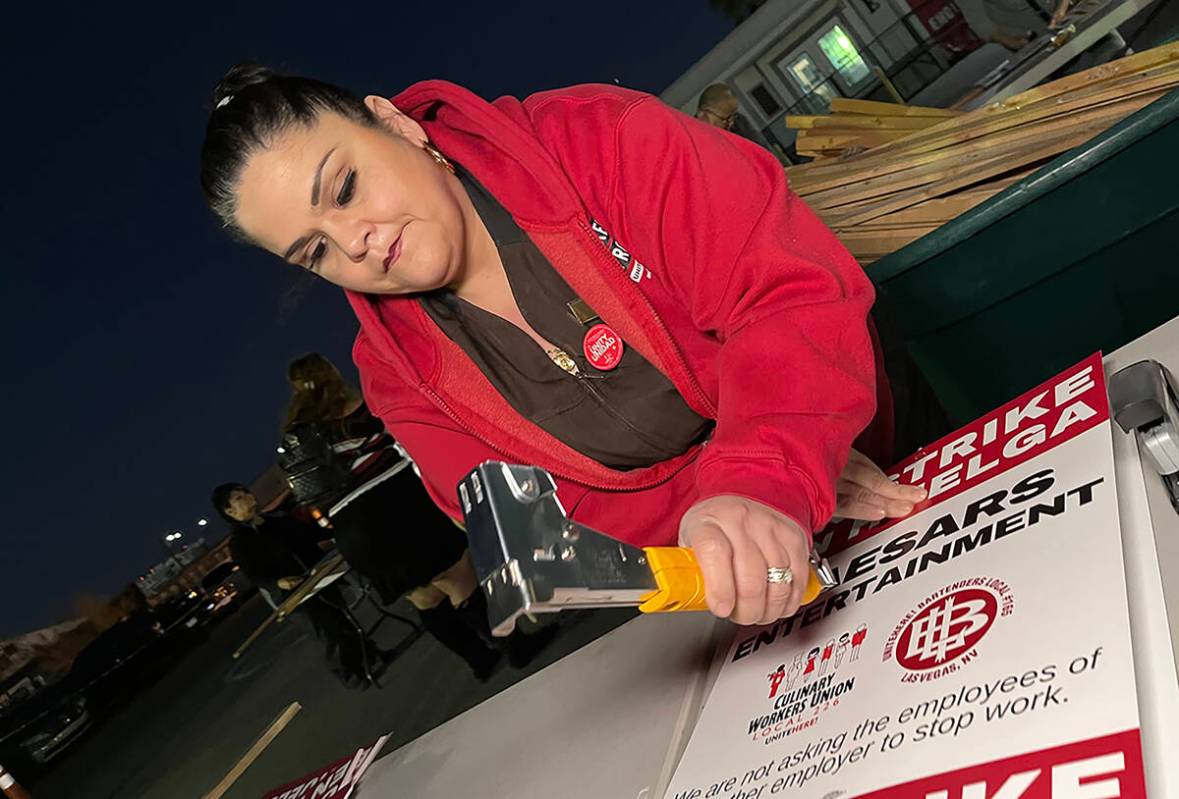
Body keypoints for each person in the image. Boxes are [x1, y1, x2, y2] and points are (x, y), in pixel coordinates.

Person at [199, 64, 933, 630]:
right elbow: (548, 526)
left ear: (395, 123)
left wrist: (771, 462)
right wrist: (743, 491)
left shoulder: (601, 139)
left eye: (347, 186)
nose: (352, 241)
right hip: (723, 574)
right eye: (315, 252)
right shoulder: (395, 381)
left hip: (874, 446)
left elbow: (781, 290)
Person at [279, 352, 544, 679]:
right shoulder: (353, 407)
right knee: (460, 576)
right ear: (329, 371)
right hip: (392, 506)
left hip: (350, 529)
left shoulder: (301, 430)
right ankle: (515, 648)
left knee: (425, 596)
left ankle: (479, 659)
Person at [211, 482, 376, 688]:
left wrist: (339, 530)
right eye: (239, 498)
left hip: (317, 577)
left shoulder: (276, 519)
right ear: (230, 511)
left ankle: (371, 658)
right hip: (295, 596)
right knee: (330, 633)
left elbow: (309, 533)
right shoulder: (240, 543)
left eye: (245, 492)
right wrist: (278, 582)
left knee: (345, 620)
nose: (247, 496)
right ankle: (352, 677)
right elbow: (255, 575)